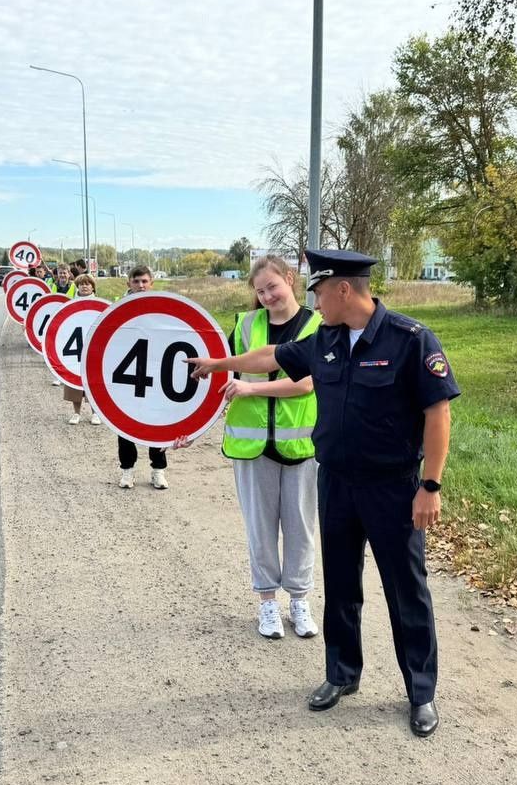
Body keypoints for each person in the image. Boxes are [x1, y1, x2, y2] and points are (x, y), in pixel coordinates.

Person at [189, 249, 459, 737]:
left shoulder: (409, 339)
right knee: (340, 586)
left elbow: (438, 414)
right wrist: (219, 363)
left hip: (394, 488)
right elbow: (271, 356)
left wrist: (430, 485)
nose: (313, 300)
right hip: (335, 481)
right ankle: (341, 675)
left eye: (317, 291)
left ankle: (421, 692)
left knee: (406, 591)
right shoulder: (326, 338)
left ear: (342, 289)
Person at [221, 256, 322, 640]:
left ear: (290, 279)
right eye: (260, 291)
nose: (266, 296)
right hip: (251, 447)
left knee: (301, 528)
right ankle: (267, 603)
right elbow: (225, 378)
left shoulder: (317, 324)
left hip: (301, 446)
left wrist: (252, 388)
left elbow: (306, 383)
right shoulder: (246, 326)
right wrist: (190, 428)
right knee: (260, 530)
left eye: (272, 287)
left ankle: (299, 600)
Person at [117, 265, 169, 490]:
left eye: (145, 281)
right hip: (126, 377)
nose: (140, 285)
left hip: (156, 377)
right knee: (124, 424)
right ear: (128, 283)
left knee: (157, 424)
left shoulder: (163, 308)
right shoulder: (117, 309)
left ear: (152, 283)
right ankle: (127, 471)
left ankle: (158, 470)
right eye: (136, 281)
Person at [64, 275, 102, 426]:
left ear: (93, 287)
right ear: (77, 287)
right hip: (74, 348)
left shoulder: (100, 304)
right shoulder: (70, 305)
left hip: (94, 348)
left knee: (94, 382)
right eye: (82, 284)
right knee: (73, 381)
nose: (85, 287)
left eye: (88, 284)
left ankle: (95, 413)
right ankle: (76, 413)